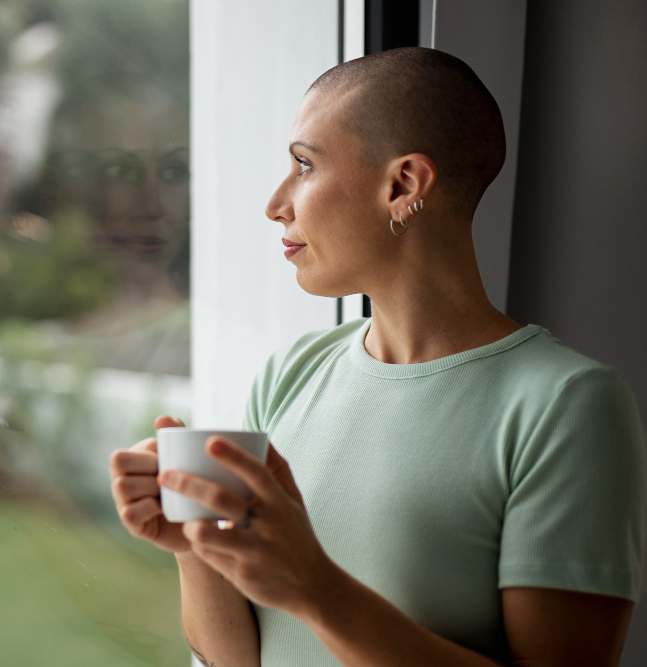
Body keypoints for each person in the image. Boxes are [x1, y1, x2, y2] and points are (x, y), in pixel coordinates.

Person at [108, 47, 647, 666]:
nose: (276, 202)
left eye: (304, 166)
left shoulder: (567, 406)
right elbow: (243, 660)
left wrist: (316, 589)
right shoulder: (290, 375)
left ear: (403, 185)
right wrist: (192, 546)